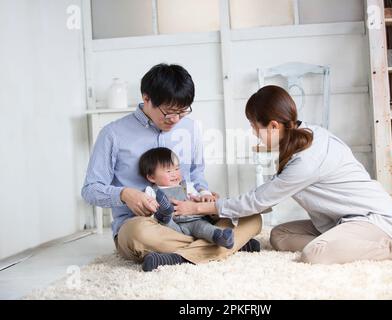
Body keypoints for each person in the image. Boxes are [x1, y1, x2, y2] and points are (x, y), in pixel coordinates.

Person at [173, 85, 392, 266]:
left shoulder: (306, 158)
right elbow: (268, 198)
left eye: (253, 126)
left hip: (372, 220)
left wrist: (200, 206)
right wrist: (219, 205)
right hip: (338, 220)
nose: (252, 133)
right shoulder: (301, 135)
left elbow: (259, 200)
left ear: (272, 126)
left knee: (316, 254)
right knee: (279, 236)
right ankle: (342, 244)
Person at [81, 63, 261, 272]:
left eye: (182, 112)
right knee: (137, 234)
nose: (175, 119)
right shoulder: (112, 134)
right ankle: (227, 245)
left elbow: (196, 174)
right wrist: (124, 194)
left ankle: (177, 256)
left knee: (252, 217)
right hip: (145, 224)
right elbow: (90, 189)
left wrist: (203, 194)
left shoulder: (191, 128)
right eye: (168, 112)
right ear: (146, 98)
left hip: (193, 215)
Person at [139, 147, 234, 249]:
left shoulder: (186, 186)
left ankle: (220, 236)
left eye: (177, 169)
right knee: (165, 225)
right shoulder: (151, 191)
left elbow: (197, 198)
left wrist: (205, 196)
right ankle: (165, 214)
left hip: (192, 220)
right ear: (152, 177)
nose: (174, 174)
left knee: (203, 227)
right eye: (169, 171)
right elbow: (149, 209)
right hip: (171, 223)